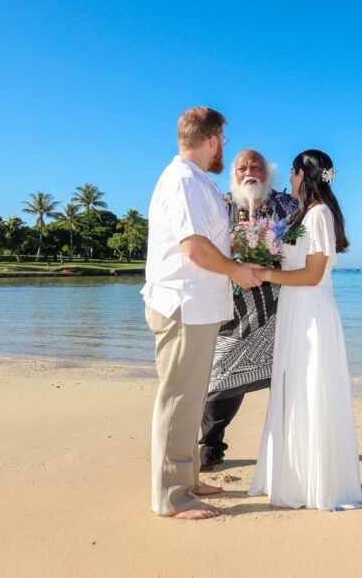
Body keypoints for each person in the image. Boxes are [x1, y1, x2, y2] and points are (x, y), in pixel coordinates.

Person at [141, 106, 262, 520]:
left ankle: (188, 479)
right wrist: (236, 271)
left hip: (197, 307)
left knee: (191, 399)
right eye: (222, 142)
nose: (222, 150)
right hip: (183, 306)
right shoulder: (183, 181)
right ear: (212, 140)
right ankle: (171, 497)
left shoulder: (195, 181)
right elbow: (193, 246)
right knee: (178, 400)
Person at [248, 149, 362, 510]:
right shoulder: (303, 214)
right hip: (294, 308)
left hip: (311, 311)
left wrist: (266, 273)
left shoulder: (319, 214)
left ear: (303, 174)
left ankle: (314, 483)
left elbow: (312, 274)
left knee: (310, 388)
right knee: (294, 389)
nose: (289, 179)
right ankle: (295, 476)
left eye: (292, 172)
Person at [199, 149, 299, 471]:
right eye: (242, 168)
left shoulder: (288, 206)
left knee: (287, 379)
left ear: (268, 173)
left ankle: (289, 449)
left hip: (281, 308)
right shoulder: (220, 205)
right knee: (219, 377)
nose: (249, 172)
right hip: (232, 308)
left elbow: (305, 247)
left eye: (256, 167)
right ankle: (211, 445)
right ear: (233, 174)